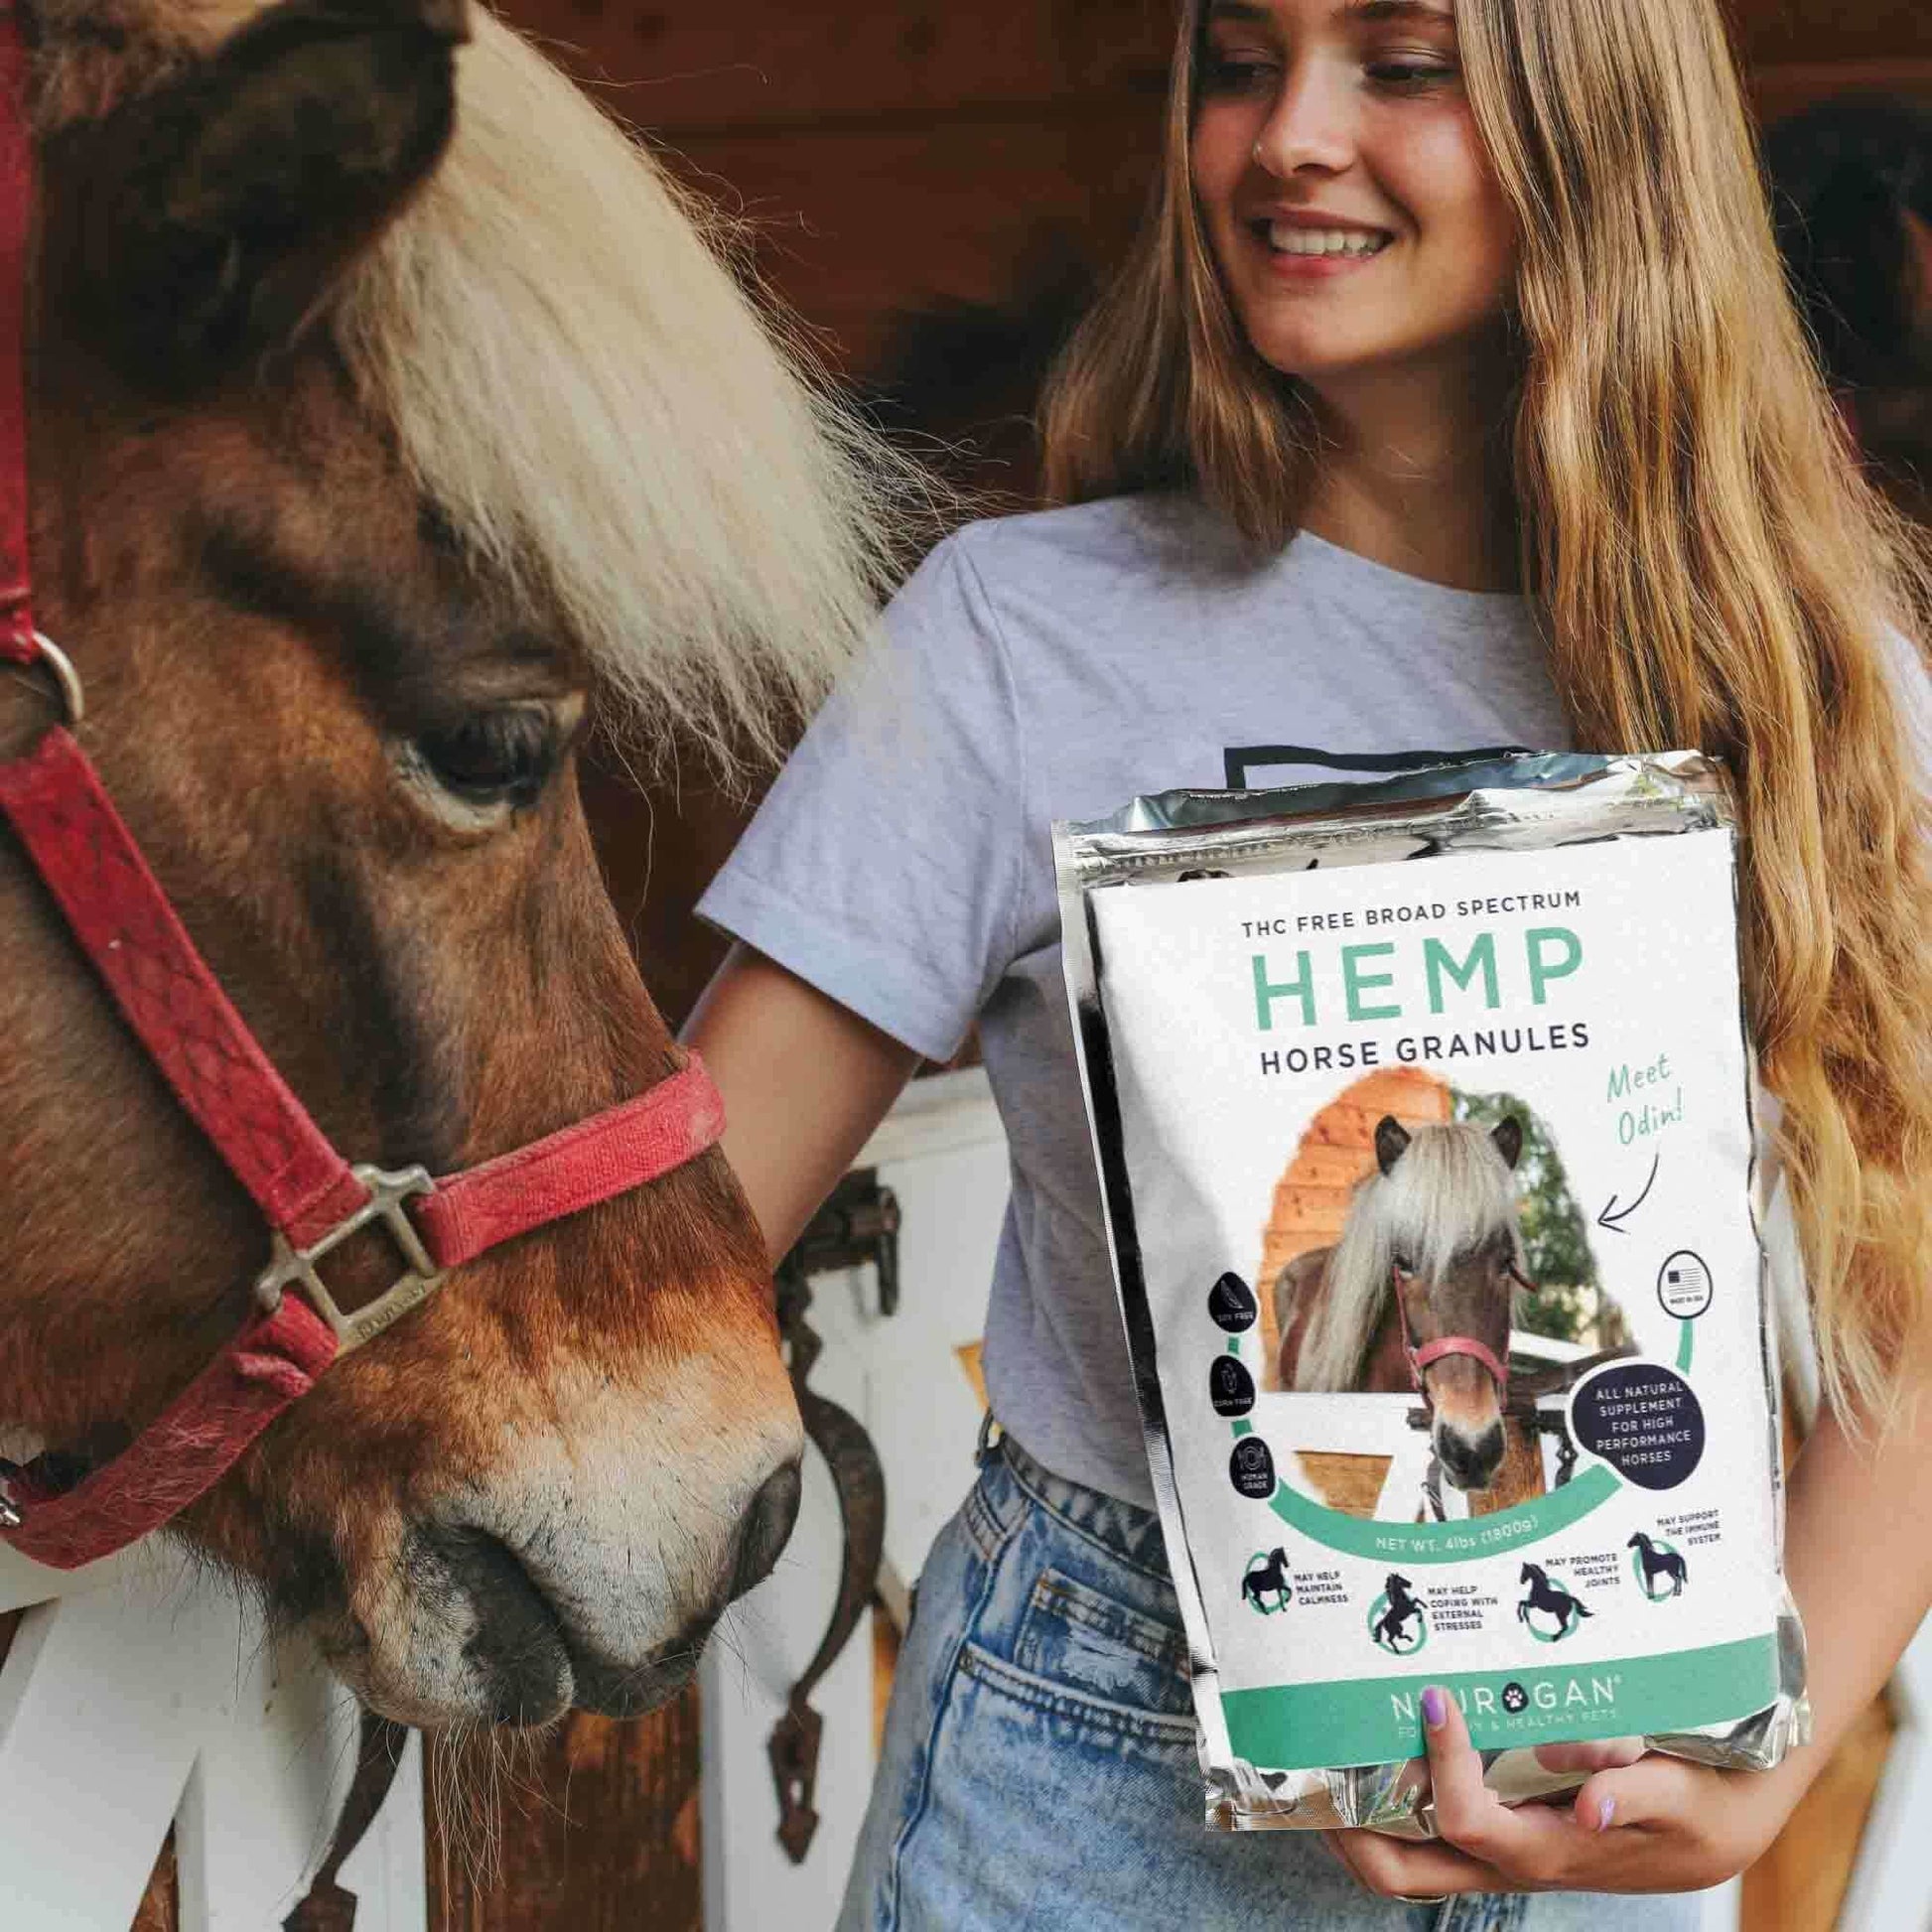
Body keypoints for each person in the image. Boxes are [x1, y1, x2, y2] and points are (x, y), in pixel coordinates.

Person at [685, 0, 1932, 1923]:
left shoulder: (1810, 674)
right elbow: (680, 1220)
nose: (1287, 136)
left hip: (1615, 1747)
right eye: (1243, 61)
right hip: (1099, 1770)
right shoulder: (1016, 640)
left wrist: (1780, 1734)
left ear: (1593, 123)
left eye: (1402, 66)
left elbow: (1909, 1258)